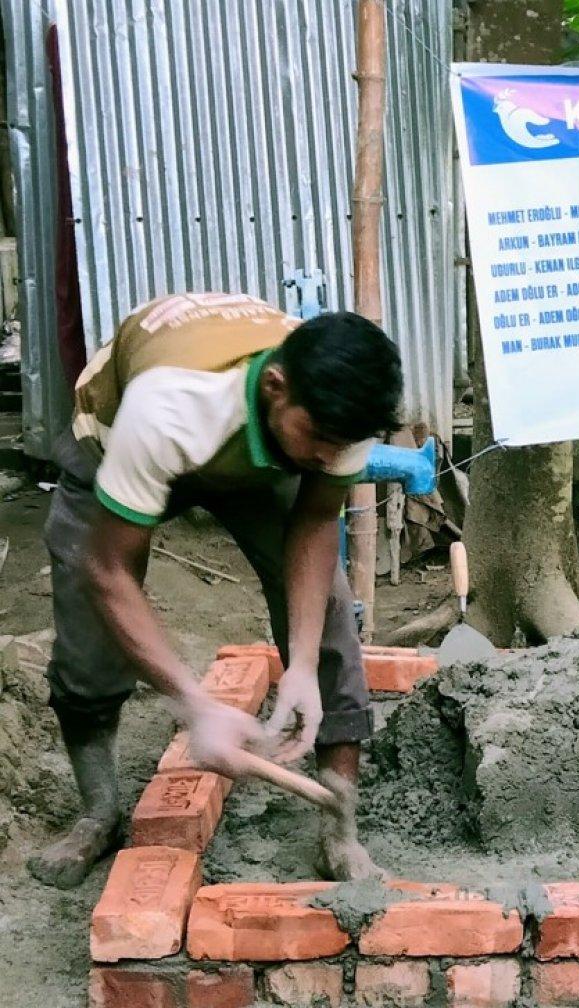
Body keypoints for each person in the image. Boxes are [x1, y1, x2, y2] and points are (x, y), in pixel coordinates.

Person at [28, 292, 402, 888]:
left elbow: (312, 523)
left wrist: (302, 666)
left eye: (344, 444)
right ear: (276, 386)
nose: (332, 455)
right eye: (322, 438)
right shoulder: (170, 409)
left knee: (326, 610)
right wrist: (195, 706)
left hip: (254, 448)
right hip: (117, 443)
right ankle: (97, 812)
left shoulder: (340, 410)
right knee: (88, 619)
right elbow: (108, 571)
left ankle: (341, 831)